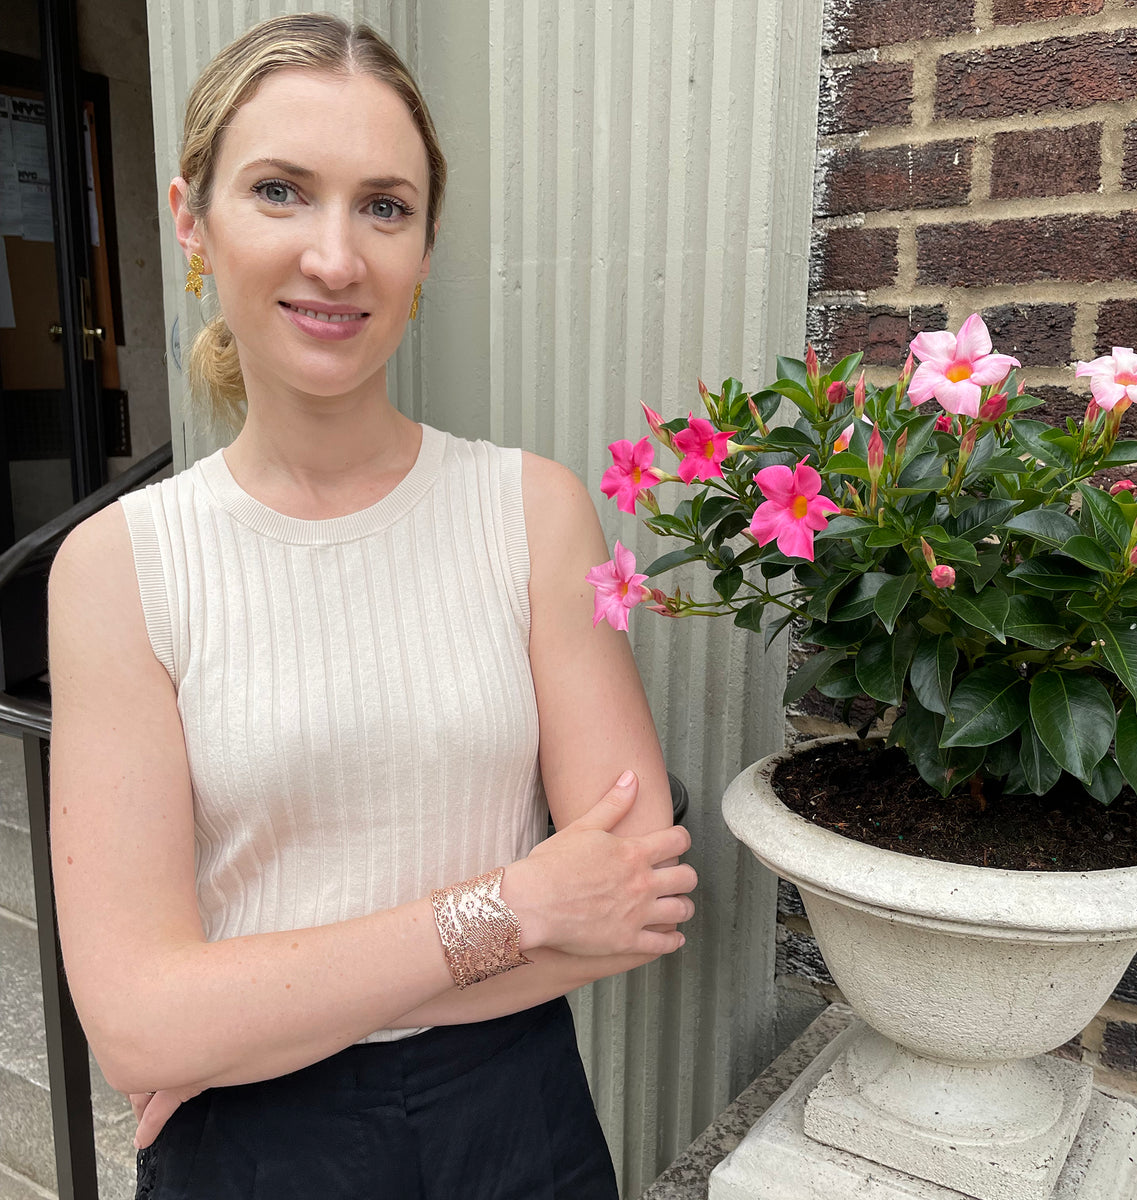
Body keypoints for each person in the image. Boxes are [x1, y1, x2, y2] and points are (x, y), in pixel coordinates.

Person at [47, 14, 696, 1198]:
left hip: (515, 1122)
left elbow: (631, 898)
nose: (336, 258)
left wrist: (246, 1012)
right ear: (193, 221)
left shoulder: (534, 511)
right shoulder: (117, 565)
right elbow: (140, 1031)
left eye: (384, 206)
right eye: (281, 191)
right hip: (251, 1151)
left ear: (426, 244)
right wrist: (515, 904)